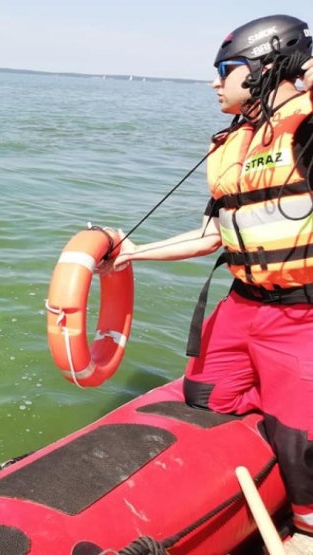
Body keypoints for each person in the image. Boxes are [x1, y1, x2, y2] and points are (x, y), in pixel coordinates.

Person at [103, 15, 313, 535]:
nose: (215, 82)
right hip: (243, 305)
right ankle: (279, 395)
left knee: (300, 439)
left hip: (302, 314)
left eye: (226, 69)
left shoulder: (307, 130)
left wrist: (302, 62)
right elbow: (214, 236)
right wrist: (135, 253)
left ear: (266, 69)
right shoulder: (229, 145)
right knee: (206, 397)